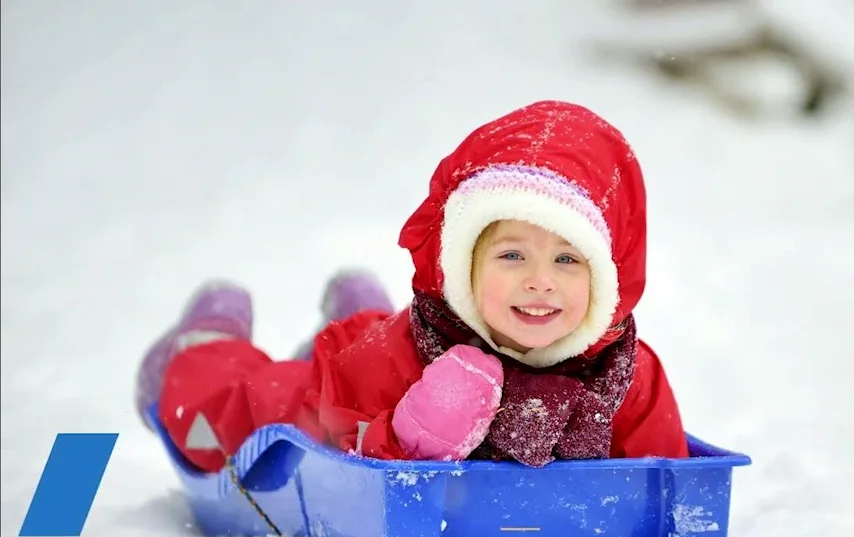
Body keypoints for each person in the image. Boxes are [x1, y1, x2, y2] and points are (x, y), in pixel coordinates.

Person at [135, 100, 690, 473]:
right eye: (512, 255)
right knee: (223, 420)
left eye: (569, 259)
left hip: (373, 347)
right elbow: (335, 456)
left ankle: (361, 306)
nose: (540, 281)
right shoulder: (400, 354)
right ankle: (206, 341)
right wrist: (412, 440)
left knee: (362, 333)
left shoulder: (627, 374)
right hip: (334, 384)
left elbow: (663, 476)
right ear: (464, 266)